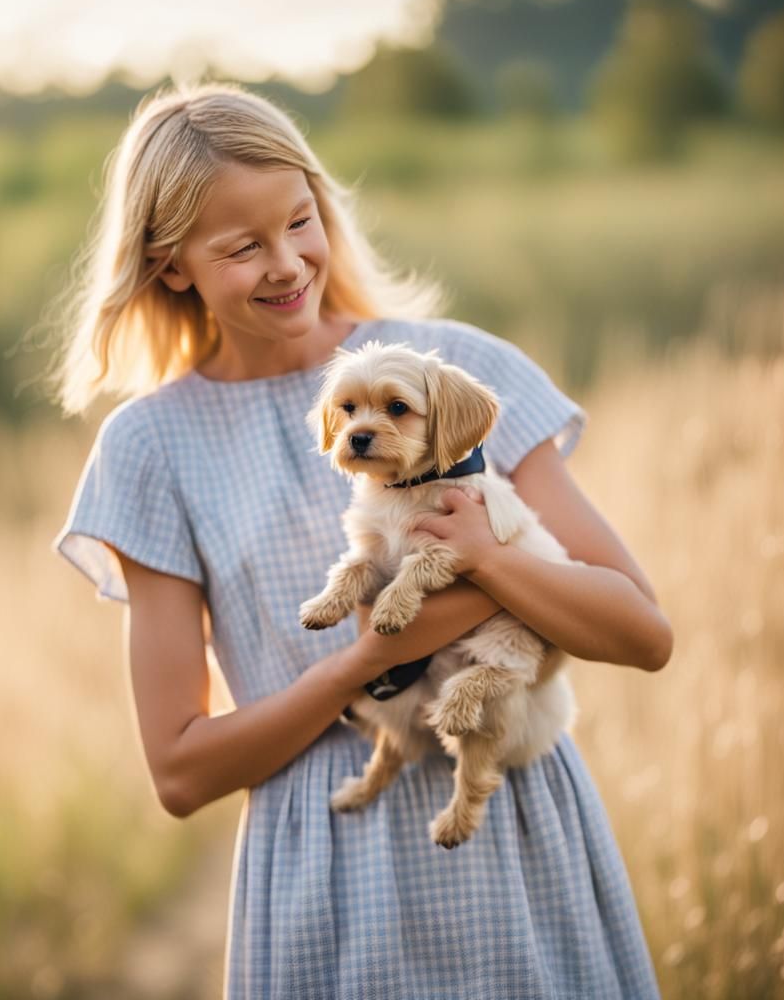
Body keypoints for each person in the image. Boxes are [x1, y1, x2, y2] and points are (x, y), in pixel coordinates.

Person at [51, 82, 671, 999]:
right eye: (242, 247)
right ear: (172, 264)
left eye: (300, 220)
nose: (289, 262)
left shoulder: (458, 372)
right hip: (330, 876)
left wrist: (493, 557)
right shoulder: (150, 448)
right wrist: (363, 663)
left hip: (517, 842)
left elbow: (642, 633)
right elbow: (180, 770)